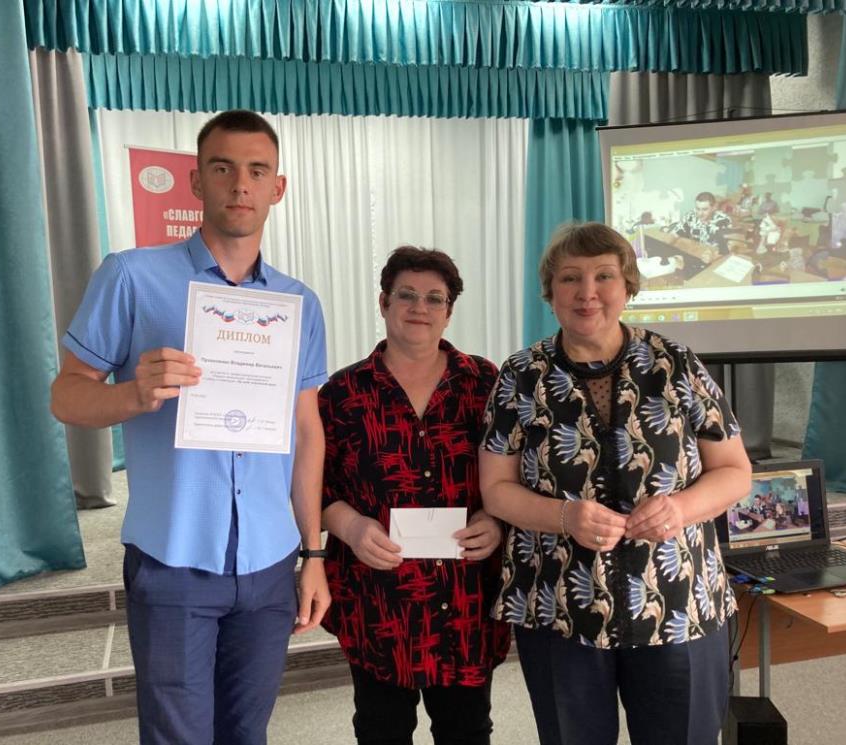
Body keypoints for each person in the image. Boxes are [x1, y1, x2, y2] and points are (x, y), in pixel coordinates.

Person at [50, 110, 331, 745]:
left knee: (246, 733)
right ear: (197, 181)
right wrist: (132, 393)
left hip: (268, 560)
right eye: (223, 168)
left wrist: (312, 554)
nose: (240, 185)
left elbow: (306, 431)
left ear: (277, 188)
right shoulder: (131, 276)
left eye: (257, 171)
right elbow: (65, 397)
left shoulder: (298, 303)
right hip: (173, 558)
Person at [479, 222, 752, 745]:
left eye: (604, 276)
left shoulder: (676, 364)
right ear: (550, 292)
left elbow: (735, 471)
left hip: (678, 603)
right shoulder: (520, 376)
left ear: (627, 287)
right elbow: (496, 489)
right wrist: (565, 516)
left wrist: (680, 509)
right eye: (570, 278)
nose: (588, 292)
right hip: (560, 606)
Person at [320, 247, 510, 745]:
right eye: (406, 295)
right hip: (378, 599)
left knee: (467, 731)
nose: (419, 307)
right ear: (384, 302)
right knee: (380, 731)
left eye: (434, 298)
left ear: (449, 311)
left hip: (464, 595)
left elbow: (518, 472)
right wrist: (351, 526)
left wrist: (496, 520)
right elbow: (315, 488)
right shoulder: (342, 393)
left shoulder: (486, 384)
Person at [671, 190, 733, 270]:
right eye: (698, 209)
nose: (700, 213)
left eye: (704, 209)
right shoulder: (691, 215)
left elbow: (729, 246)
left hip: (715, 260)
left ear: (713, 207)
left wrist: (714, 256)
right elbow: (676, 234)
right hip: (694, 257)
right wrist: (671, 250)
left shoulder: (724, 220)